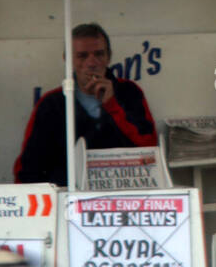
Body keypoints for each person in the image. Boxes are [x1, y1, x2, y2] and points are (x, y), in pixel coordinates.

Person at [13, 23, 157, 186]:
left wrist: (112, 105)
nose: (91, 63)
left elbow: (149, 148)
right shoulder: (51, 103)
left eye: (99, 54)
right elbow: (29, 166)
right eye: (82, 56)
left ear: (108, 57)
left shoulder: (129, 92)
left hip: (122, 192)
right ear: (68, 60)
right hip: (68, 197)